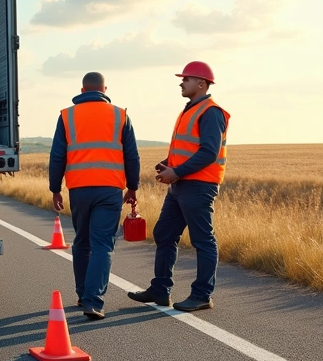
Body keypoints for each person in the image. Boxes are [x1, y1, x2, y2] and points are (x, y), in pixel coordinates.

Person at [127, 61, 230, 312]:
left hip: (198, 185)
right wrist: (168, 164)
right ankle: (160, 290)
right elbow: (189, 148)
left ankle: (203, 295)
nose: (181, 82)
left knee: (203, 240)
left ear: (201, 84)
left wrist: (177, 171)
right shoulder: (190, 109)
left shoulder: (211, 112)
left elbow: (208, 153)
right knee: (164, 234)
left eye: (186, 79)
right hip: (181, 184)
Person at [49, 72, 140, 320]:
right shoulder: (120, 115)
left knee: (82, 242)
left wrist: (55, 188)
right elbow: (131, 155)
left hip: (79, 189)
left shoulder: (67, 116)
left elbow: (58, 155)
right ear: (104, 89)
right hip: (110, 189)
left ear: (82, 90)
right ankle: (93, 301)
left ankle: (82, 294)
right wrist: (132, 187)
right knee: (102, 245)